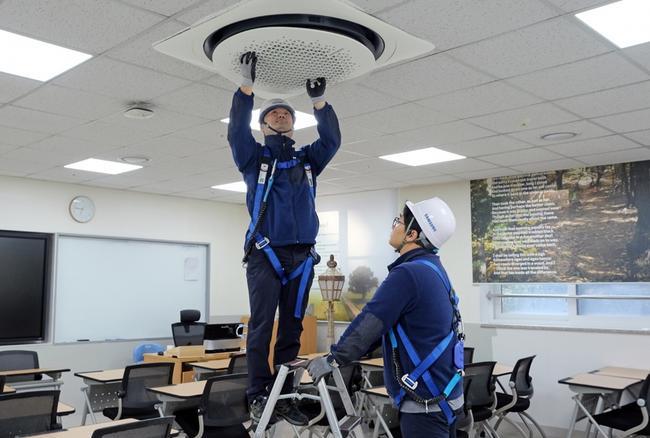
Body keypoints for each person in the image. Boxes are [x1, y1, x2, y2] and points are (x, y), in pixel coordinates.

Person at [227, 51, 341, 425]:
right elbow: (235, 132)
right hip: (266, 255)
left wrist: (319, 102)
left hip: (302, 259)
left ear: (294, 124)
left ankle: (285, 394)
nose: (281, 115)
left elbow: (333, 140)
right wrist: (246, 87)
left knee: (292, 330)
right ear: (263, 126)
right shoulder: (254, 159)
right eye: (273, 113)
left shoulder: (308, 160)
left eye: (286, 113)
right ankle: (258, 395)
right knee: (262, 327)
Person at [308, 197, 464, 438]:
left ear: (412, 234)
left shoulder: (408, 274)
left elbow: (370, 322)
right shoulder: (434, 270)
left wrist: (333, 359)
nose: (394, 226)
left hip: (425, 404)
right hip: (448, 395)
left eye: (398, 221)